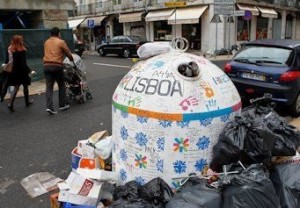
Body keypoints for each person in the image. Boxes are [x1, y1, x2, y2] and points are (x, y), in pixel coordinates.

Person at [43, 27, 74, 115]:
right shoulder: (61, 42)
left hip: (46, 66)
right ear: (58, 33)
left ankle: (49, 107)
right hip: (57, 66)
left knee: (49, 87)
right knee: (61, 85)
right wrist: (71, 59)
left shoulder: (46, 42)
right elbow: (68, 53)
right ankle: (62, 105)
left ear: (51, 34)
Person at [4, 35, 33, 112]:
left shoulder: (10, 49)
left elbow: (6, 60)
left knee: (16, 87)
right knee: (25, 86)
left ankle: (11, 104)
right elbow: (23, 64)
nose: (22, 41)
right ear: (19, 41)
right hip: (22, 71)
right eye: (21, 40)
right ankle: (27, 102)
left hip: (14, 71)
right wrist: (30, 70)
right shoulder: (22, 50)